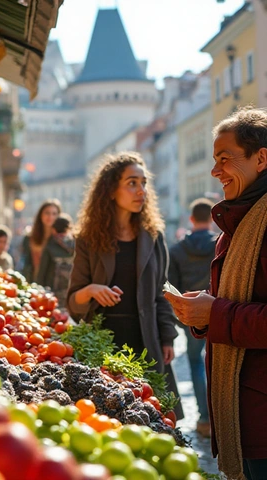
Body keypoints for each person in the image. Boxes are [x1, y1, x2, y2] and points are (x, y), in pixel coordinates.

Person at [165, 107, 267, 480]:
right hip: (248, 413)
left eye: (225, 159)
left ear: (262, 157)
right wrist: (203, 313)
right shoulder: (239, 222)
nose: (214, 170)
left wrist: (215, 314)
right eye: (213, 160)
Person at [66, 152, 182, 418]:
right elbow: (73, 301)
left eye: (143, 183)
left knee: (152, 417)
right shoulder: (88, 239)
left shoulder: (153, 236)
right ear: (110, 190)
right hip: (103, 345)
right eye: (132, 183)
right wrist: (92, 290)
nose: (140, 190)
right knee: (108, 419)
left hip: (146, 341)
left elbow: (162, 291)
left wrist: (167, 338)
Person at [168, 198, 217, 438]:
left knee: (197, 362)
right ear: (211, 218)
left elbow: (171, 289)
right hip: (218, 312)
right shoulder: (221, 245)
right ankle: (221, 417)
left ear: (191, 219)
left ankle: (205, 419)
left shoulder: (177, 250)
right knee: (220, 365)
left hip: (191, 317)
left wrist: (183, 317)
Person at [37, 213, 75, 306]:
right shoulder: (77, 245)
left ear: (53, 230)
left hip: (53, 292)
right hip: (72, 292)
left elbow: (42, 271)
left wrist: (39, 289)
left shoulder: (50, 246)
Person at [20, 199, 62, 282]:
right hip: (32, 282)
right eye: (47, 213)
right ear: (40, 215)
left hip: (53, 284)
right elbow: (25, 263)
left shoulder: (61, 240)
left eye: (54, 214)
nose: (50, 217)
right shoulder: (29, 238)